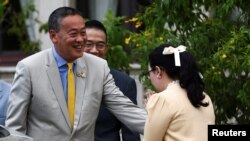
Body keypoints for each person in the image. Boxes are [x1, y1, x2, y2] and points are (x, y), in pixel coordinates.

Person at [5, 7, 146, 141]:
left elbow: (125, 109)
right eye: (73, 34)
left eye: (83, 33)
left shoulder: (98, 67)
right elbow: (15, 128)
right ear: (54, 36)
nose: (80, 39)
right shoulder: (29, 68)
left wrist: (164, 125)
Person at [143, 43, 215, 141]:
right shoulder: (204, 96)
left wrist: (153, 109)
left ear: (158, 71)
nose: (149, 77)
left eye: (149, 73)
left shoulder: (162, 99)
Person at [84, 20, 141, 141]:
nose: (94, 50)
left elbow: (131, 133)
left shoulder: (124, 83)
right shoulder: (65, 76)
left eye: (100, 45)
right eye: (88, 44)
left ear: (106, 48)